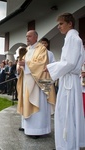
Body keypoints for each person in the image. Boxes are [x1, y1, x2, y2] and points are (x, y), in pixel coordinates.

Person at [46, 13, 85, 150]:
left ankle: (67, 146)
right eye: (58, 24)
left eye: (61, 23)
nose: (58, 27)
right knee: (67, 113)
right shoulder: (72, 38)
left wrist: (49, 68)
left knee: (66, 114)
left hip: (69, 82)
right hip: (68, 80)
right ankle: (68, 144)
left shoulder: (73, 39)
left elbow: (69, 62)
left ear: (70, 24)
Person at [17, 30, 56, 137]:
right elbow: (22, 63)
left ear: (36, 37)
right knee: (26, 103)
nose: (27, 38)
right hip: (27, 81)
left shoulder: (42, 49)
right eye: (26, 36)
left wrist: (26, 64)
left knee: (38, 104)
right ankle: (26, 126)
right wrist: (20, 65)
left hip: (38, 83)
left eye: (29, 36)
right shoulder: (27, 49)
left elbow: (41, 63)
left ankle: (38, 130)